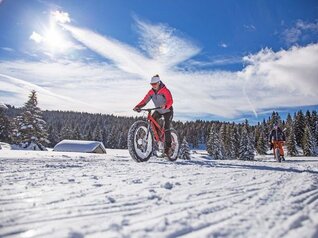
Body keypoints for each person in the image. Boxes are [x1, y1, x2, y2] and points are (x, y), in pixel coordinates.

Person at [133, 74, 173, 155]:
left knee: (166, 127)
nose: (153, 86)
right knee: (152, 120)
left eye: (154, 84)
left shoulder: (165, 90)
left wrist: (165, 106)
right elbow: (144, 100)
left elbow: (170, 101)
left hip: (168, 110)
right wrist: (138, 106)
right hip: (158, 110)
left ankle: (168, 148)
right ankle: (158, 139)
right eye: (152, 84)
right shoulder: (151, 92)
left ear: (158, 82)